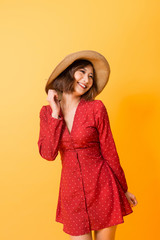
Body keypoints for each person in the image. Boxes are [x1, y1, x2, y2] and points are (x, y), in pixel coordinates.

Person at [37, 50, 138, 240]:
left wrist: (123, 189)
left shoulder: (96, 108)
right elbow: (48, 154)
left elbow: (110, 151)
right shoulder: (47, 113)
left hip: (103, 187)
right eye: (82, 72)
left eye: (91, 76)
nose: (87, 79)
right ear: (68, 73)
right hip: (72, 193)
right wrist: (54, 111)